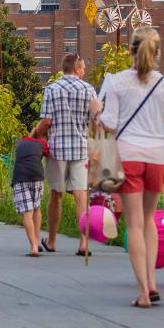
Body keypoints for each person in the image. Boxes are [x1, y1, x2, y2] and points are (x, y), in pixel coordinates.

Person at [99, 26, 164, 308]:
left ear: (131, 50)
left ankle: (144, 292)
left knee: (134, 224)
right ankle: (153, 281)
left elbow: (108, 124)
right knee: (149, 219)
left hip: (129, 154)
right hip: (159, 157)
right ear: (156, 53)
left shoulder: (118, 83)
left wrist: (96, 109)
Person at [33, 53, 101, 256]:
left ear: (64, 69)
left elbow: (46, 122)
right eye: (83, 68)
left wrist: (35, 135)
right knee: (81, 194)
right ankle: (83, 243)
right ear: (78, 69)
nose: (84, 72)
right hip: (81, 148)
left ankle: (52, 240)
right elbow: (97, 121)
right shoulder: (89, 90)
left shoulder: (52, 89)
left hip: (57, 149)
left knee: (56, 194)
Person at [11, 134, 49, 256]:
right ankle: (37, 241)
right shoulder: (43, 144)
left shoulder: (20, 142)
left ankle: (33, 247)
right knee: (36, 207)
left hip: (20, 176)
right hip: (36, 176)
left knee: (27, 213)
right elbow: (49, 155)